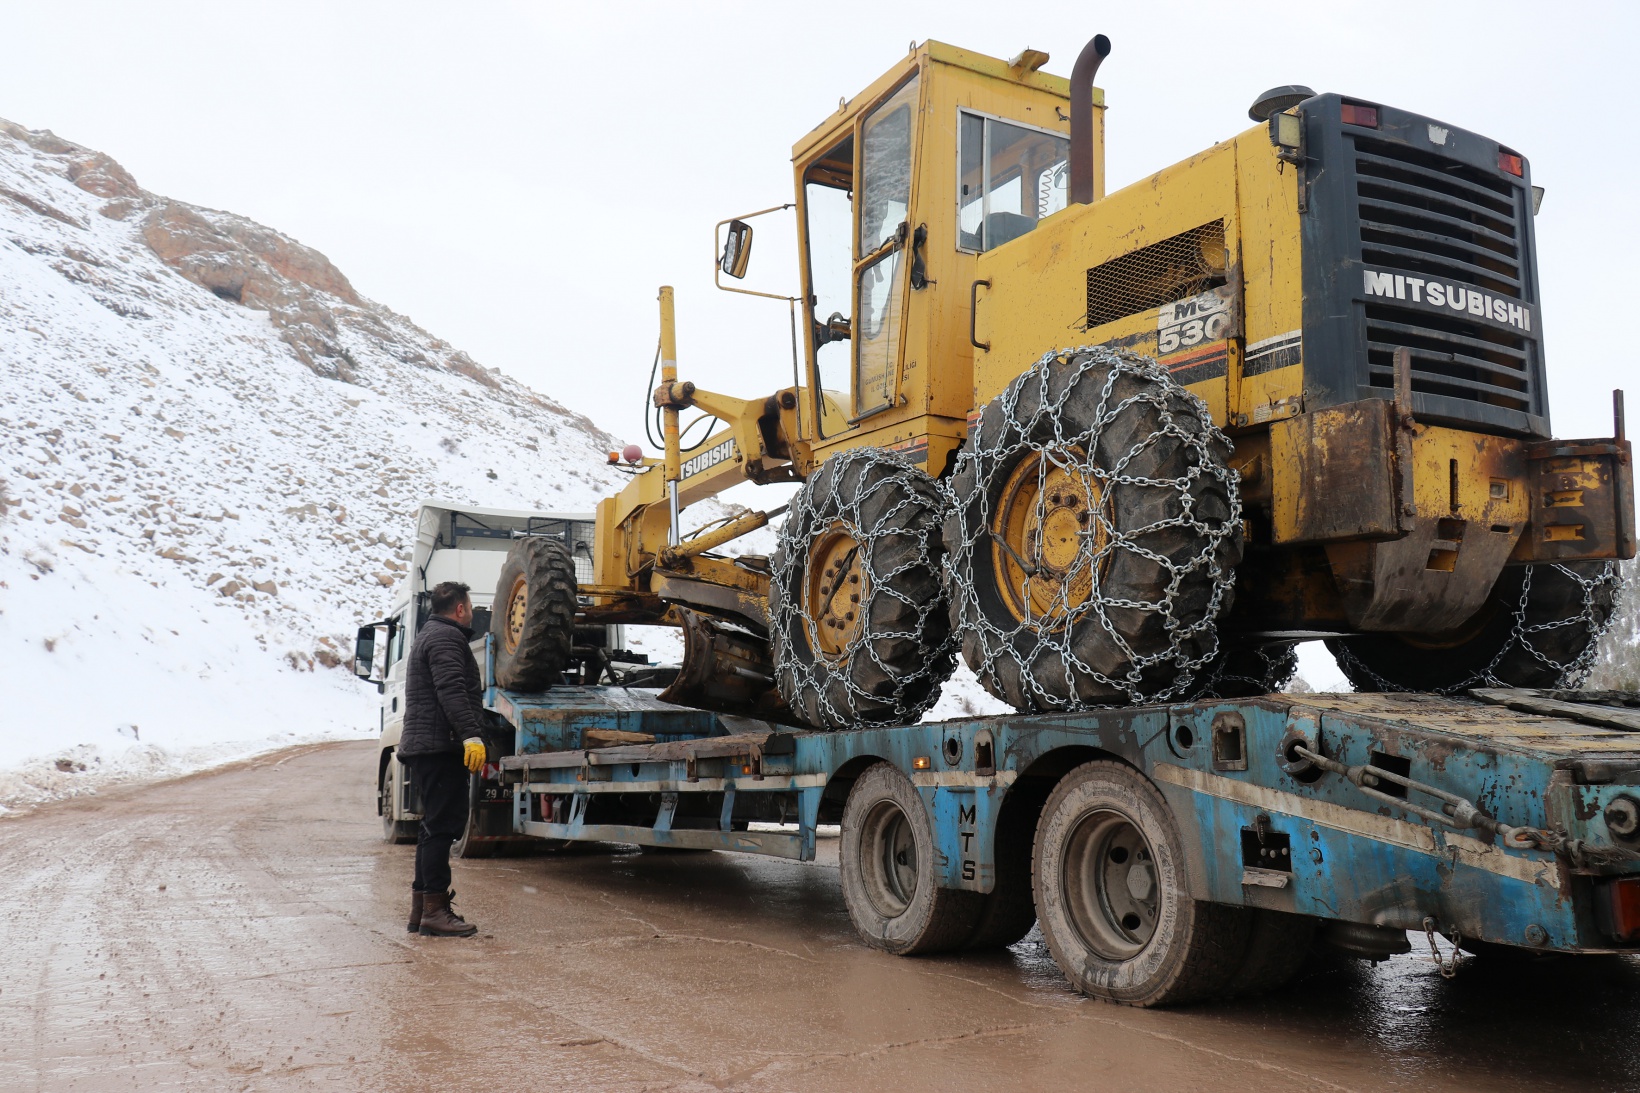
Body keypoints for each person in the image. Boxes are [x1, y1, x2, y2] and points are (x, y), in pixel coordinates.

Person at [397, 580, 487, 937]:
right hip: (440, 746)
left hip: (429, 745)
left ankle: (422, 910)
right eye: (471, 607)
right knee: (442, 827)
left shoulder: (429, 634)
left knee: (432, 827)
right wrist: (471, 736)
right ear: (460, 609)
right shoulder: (447, 638)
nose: (471, 614)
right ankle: (435, 912)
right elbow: (451, 690)